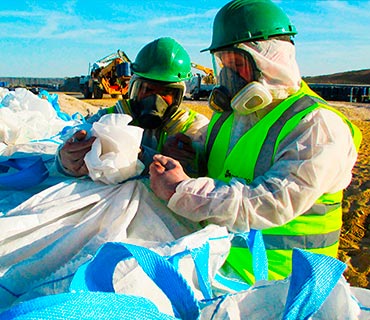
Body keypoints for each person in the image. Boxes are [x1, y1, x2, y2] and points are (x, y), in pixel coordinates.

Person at [149, 0, 362, 284]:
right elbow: (214, 164)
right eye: (223, 64)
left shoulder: (316, 125)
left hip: (281, 285)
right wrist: (185, 157)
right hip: (216, 261)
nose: (228, 75)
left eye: (237, 64)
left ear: (271, 60)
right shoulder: (230, 116)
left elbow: (272, 201)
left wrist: (182, 189)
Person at [57, 37, 209, 177]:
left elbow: (207, 175)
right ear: (132, 89)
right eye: (148, 90)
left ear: (179, 96)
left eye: (166, 92)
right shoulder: (108, 119)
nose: (155, 100)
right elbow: (71, 147)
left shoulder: (194, 128)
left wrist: (192, 160)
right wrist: (65, 161)